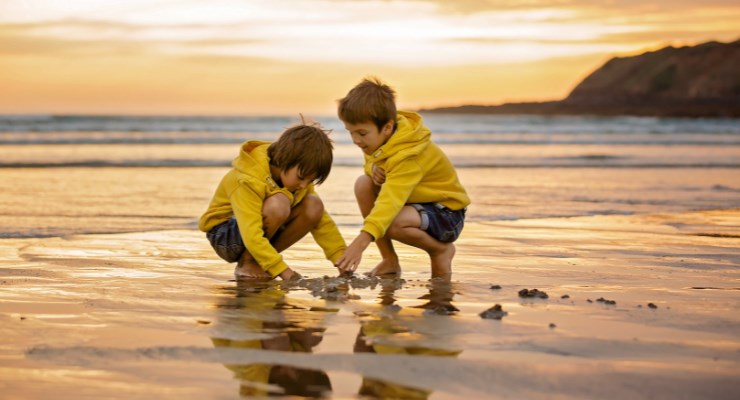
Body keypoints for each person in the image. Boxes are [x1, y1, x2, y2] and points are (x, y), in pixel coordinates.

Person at [335, 77, 470, 279]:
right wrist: (372, 168)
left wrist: (361, 241)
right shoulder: (379, 141)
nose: (356, 140)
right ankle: (389, 260)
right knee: (363, 184)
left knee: (391, 221)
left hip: (446, 214)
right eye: (351, 133)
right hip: (416, 205)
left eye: (362, 133)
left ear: (387, 127)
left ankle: (440, 250)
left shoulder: (408, 155)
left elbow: (390, 202)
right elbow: (372, 164)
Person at [199, 121, 346, 280]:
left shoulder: (298, 181)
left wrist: (341, 258)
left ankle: (260, 261)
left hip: (254, 234)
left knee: (313, 205)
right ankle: (248, 263)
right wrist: (284, 271)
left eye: (311, 180)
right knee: (279, 203)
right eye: (302, 178)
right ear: (284, 160)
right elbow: (251, 234)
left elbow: (322, 222)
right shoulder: (248, 179)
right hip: (225, 235)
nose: (304, 185)